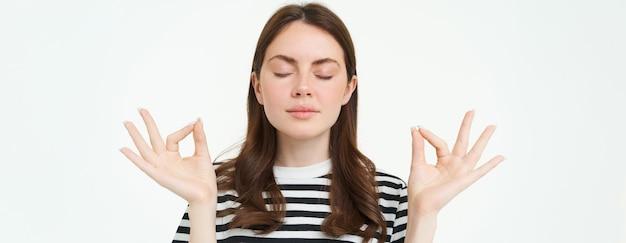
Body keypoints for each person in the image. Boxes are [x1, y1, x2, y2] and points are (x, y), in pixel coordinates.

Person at [120, 3, 505, 243]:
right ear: (257, 85)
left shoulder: (388, 197)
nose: (303, 88)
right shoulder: (211, 189)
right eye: (284, 72)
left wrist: (424, 216)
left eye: (323, 75)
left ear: (347, 89)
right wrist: (202, 204)